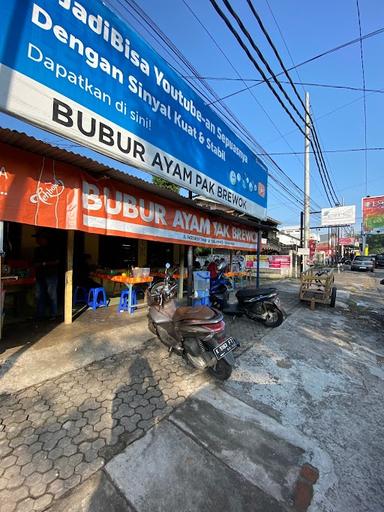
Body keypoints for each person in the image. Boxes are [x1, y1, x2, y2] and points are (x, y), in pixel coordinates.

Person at [32, 230, 60, 320]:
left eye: (39, 238)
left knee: (52, 295)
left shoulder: (53, 249)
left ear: (44, 239)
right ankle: (40, 315)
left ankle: (53, 314)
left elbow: (57, 261)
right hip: (40, 275)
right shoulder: (37, 250)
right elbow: (34, 262)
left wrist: (43, 264)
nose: (37, 240)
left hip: (51, 275)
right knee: (39, 295)